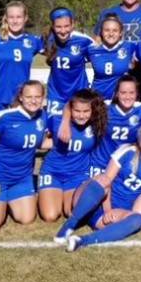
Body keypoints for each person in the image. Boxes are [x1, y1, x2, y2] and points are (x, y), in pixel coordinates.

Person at [54, 125, 141, 251]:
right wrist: (108, 210)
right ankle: (69, 226)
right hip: (96, 199)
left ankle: (81, 241)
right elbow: (107, 181)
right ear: (139, 144)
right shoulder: (127, 152)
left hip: (115, 216)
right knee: (103, 179)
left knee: (138, 219)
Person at [0, 80, 50, 231]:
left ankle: (7, 201)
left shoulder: (42, 116)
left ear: (43, 97)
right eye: (29, 97)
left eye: (37, 97)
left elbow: (41, 142)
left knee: (26, 219)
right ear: (20, 97)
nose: (33, 101)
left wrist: (69, 142)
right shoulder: (3, 117)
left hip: (22, 178)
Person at [38, 89, 107, 222]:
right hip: (52, 172)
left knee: (72, 213)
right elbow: (41, 140)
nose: (81, 116)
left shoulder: (97, 124)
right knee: (50, 216)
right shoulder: (56, 120)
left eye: (86, 111)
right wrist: (65, 120)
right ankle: (40, 195)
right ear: (71, 109)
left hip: (77, 175)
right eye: (77, 111)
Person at [89, 75, 141, 178]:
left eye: (131, 93)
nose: (127, 97)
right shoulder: (104, 107)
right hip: (101, 163)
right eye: (123, 93)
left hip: (126, 166)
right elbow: (77, 104)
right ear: (117, 93)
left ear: (137, 94)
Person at [0, 1, 43, 110]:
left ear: (25, 18)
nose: (15, 21)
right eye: (11, 17)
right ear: (6, 18)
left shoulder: (33, 41)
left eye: (19, 17)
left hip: (21, 100)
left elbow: (55, 53)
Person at [43, 7, 93, 115]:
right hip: (56, 94)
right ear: (52, 26)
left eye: (66, 26)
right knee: (56, 129)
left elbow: (100, 55)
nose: (63, 31)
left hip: (79, 93)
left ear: (72, 24)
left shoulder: (84, 40)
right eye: (58, 27)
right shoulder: (46, 40)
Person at [87, 14, 135, 100]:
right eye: (107, 30)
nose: (111, 34)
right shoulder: (91, 49)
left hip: (121, 101)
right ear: (101, 32)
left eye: (115, 30)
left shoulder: (130, 47)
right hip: (98, 100)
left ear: (121, 33)